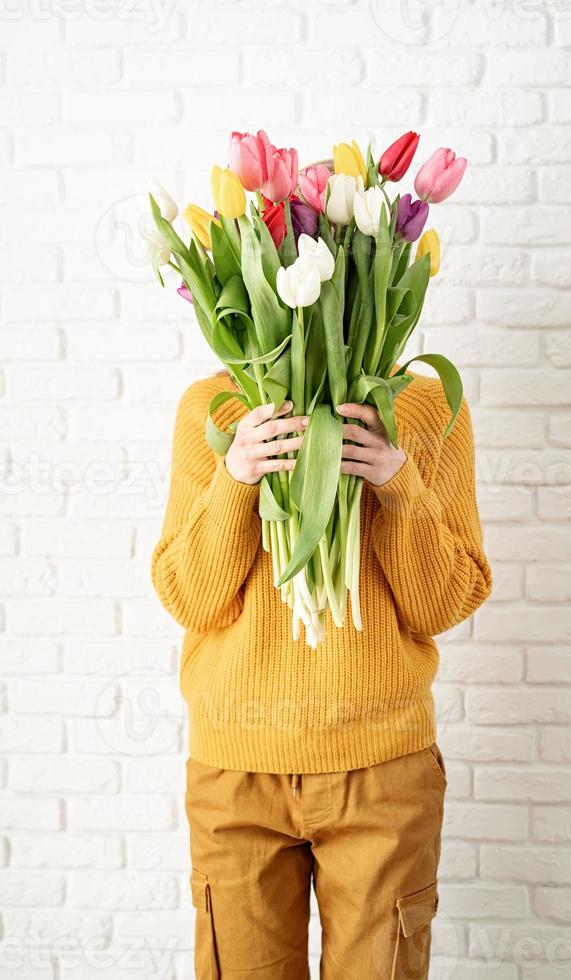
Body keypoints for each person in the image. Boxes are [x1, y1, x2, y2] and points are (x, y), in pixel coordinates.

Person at [151, 365, 492, 979]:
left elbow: (445, 603)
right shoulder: (216, 406)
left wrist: (397, 482)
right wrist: (234, 480)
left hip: (382, 772)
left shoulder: (426, 405)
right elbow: (188, 598)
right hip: (237, 770)